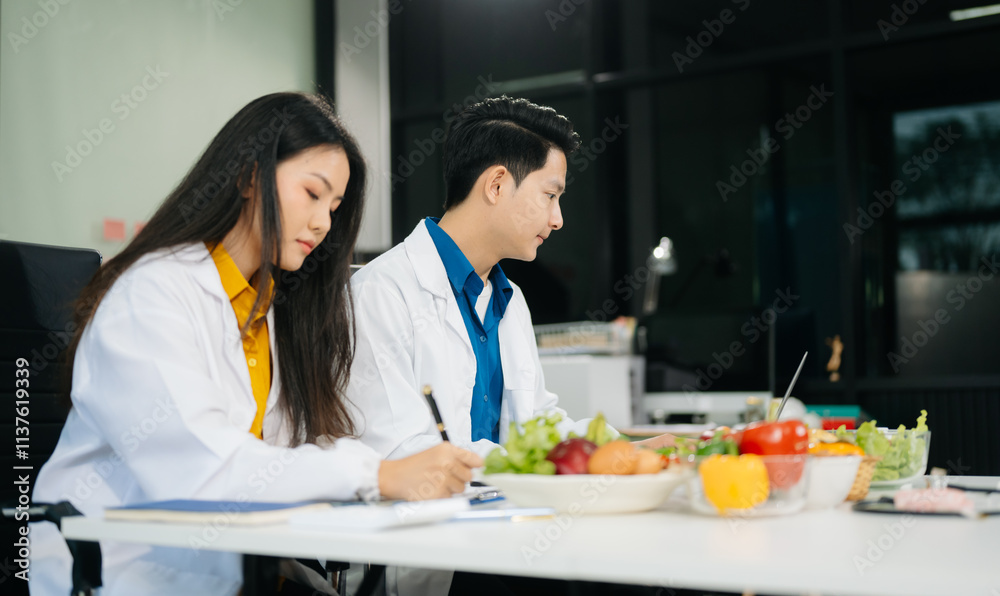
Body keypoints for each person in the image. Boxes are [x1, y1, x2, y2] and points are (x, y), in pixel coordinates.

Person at [29, 92, 480, 596]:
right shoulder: (153, 294)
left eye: (334, 207)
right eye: (312, 193)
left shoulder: (269, 311)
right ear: (248, 177)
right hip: (123, 577)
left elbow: (280, 457)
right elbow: (203, 470)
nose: (323, 223)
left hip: (233, 572)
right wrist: (377, 474)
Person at [345, 96, 676, 594]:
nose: (558, 218)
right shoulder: (381, 292)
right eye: (550, 195)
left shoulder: (508, 299)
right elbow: (404, 453)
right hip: (430, 550)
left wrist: (622, 449)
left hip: (504, 536)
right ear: (497, 184)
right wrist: (538, 470)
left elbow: (537, 423)